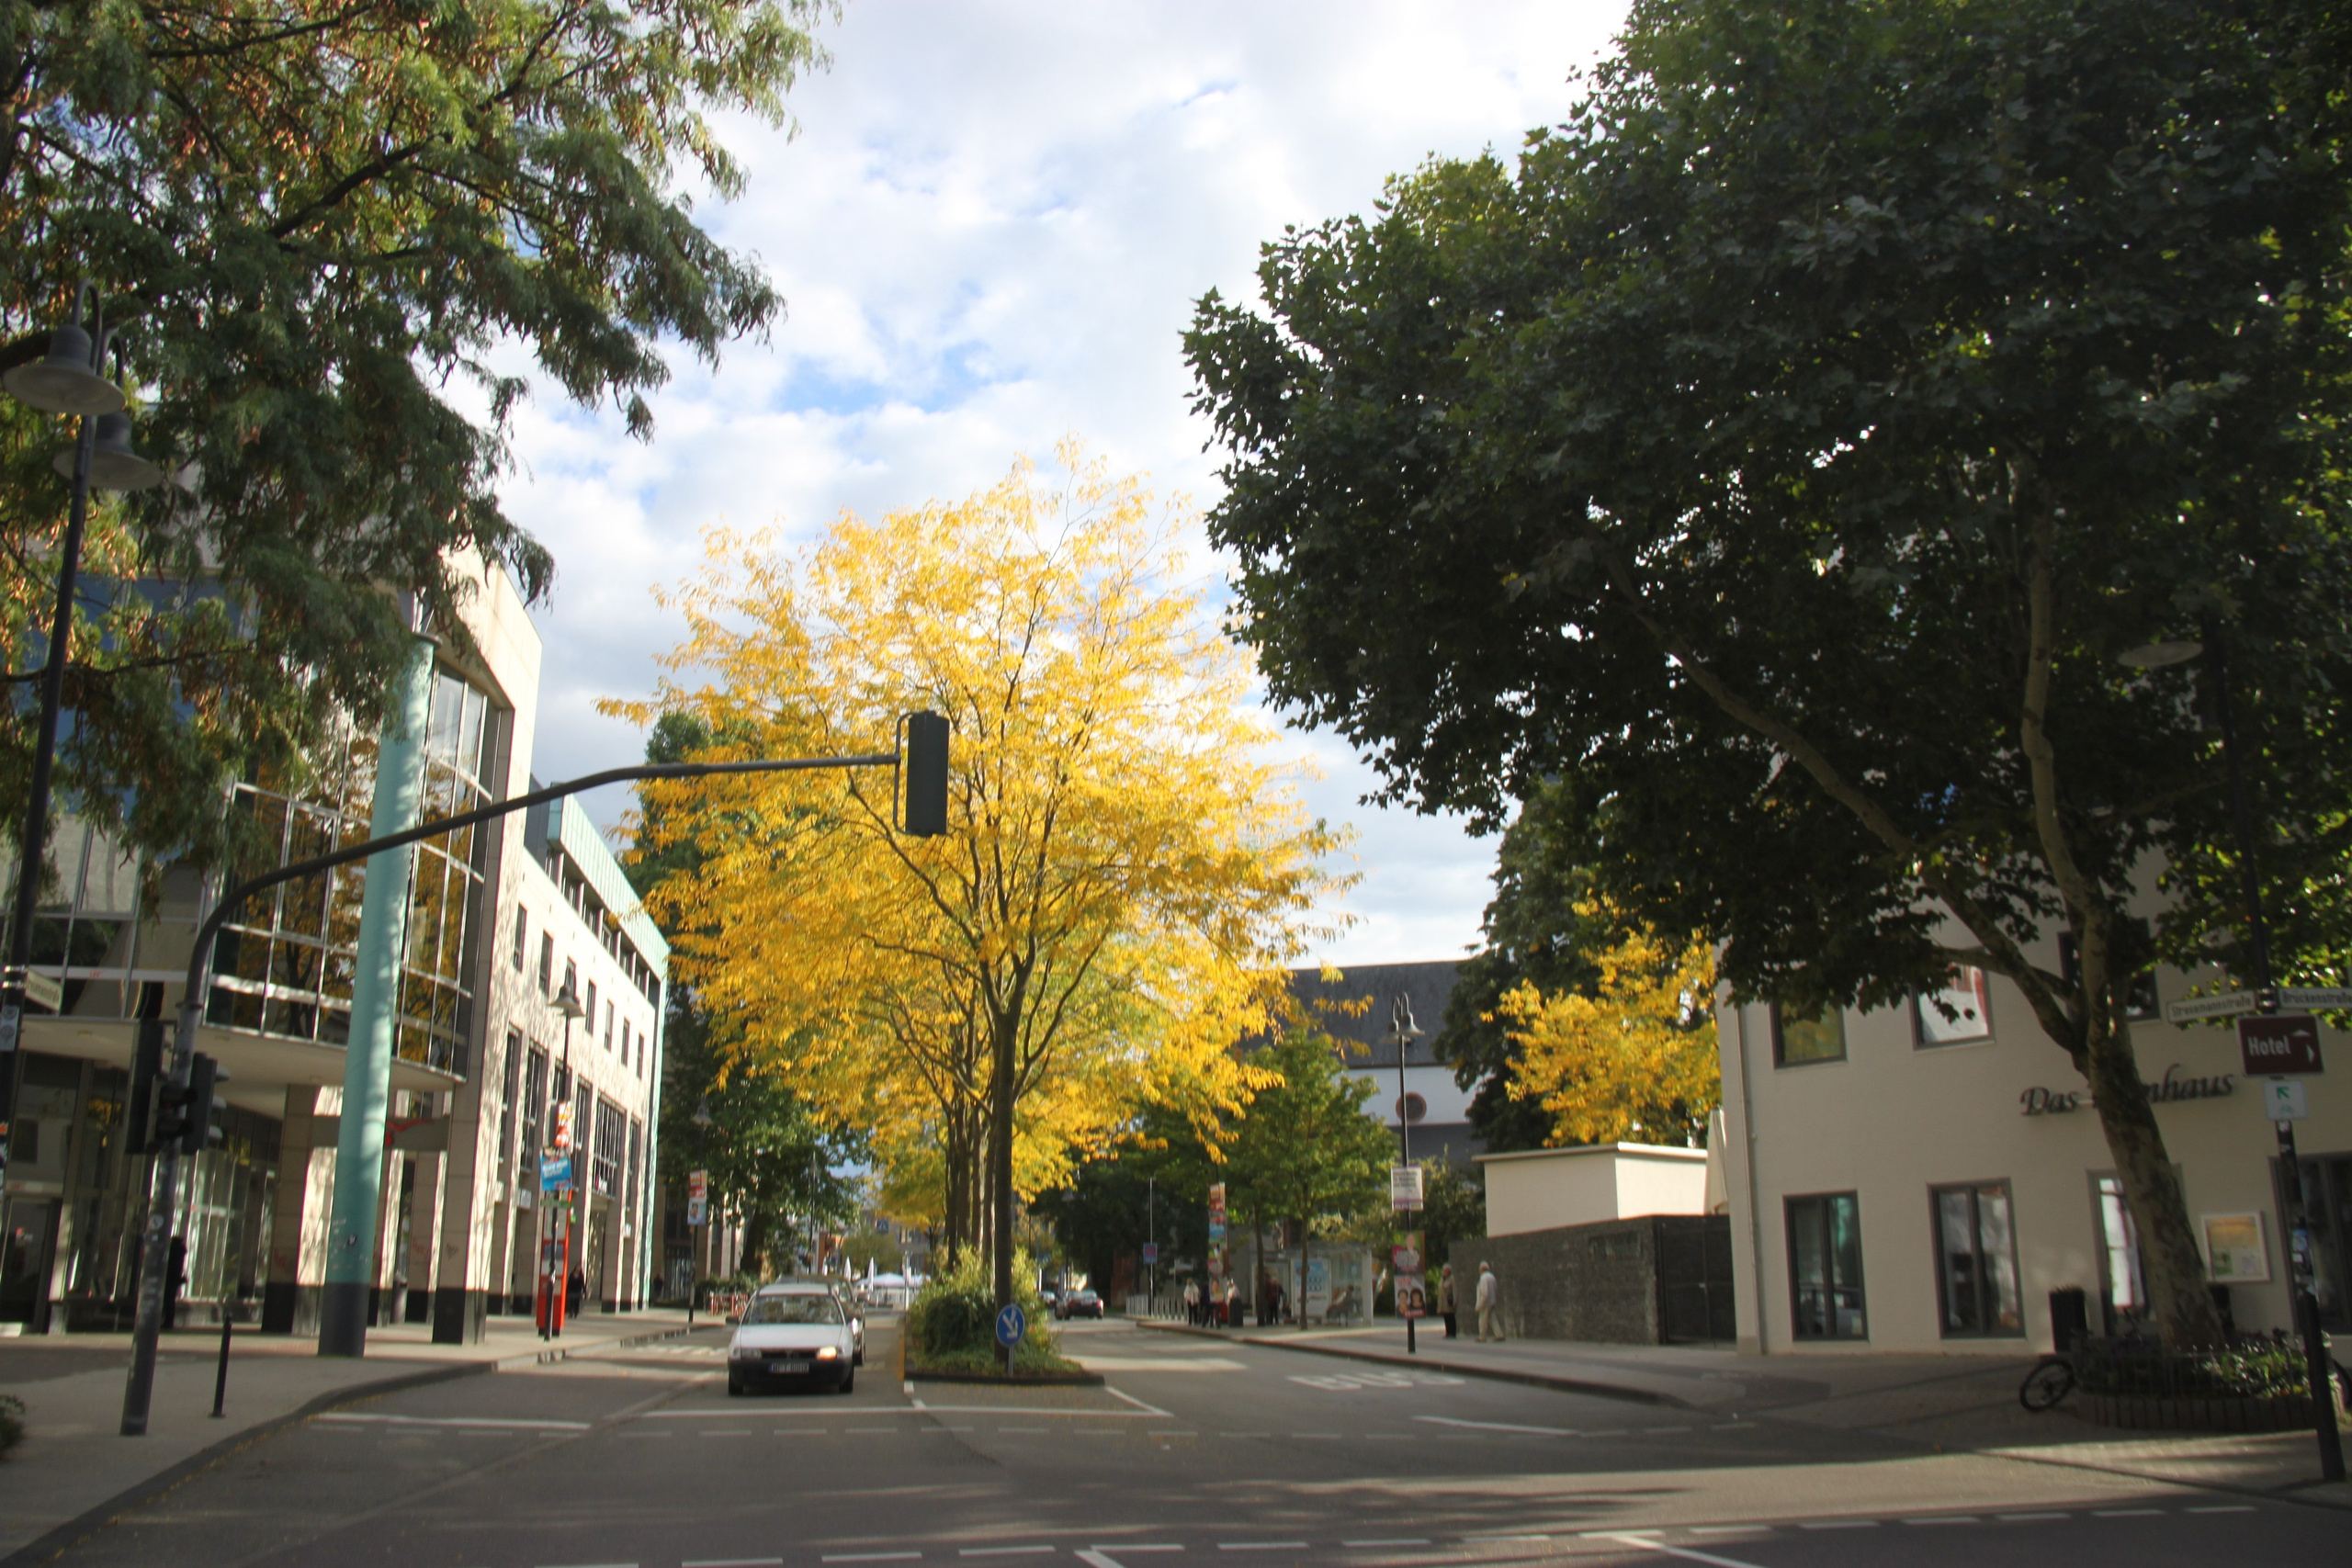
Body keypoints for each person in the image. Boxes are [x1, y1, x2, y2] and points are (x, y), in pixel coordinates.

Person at [1475, 1259, 1501, 1342]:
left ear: (1481, 1269)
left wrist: (1480, 1304)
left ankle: (1482, 1337)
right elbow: (1495, 1289)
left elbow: (1484, 1293)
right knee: (1493, 1319)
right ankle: (1499, 1335)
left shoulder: (1483, 1278)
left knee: (1482, 1320)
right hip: (1492, 1301)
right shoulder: (1492, 1277)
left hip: (1485, 1303)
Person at [1438, 1262, 1458, 1339]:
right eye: (1443, 1270)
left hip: (1449, 1301)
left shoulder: (1452, 1279)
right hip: (1442, 1302)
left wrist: (1455, 1301)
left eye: (1446, 1270)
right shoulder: (1442, 1279)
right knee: (1446, 1317)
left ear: (1449, 1271)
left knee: (1451, 1317)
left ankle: (1452, 1333)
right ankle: (1448, 1332)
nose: (1444, 1272)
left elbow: (1455, 1290)